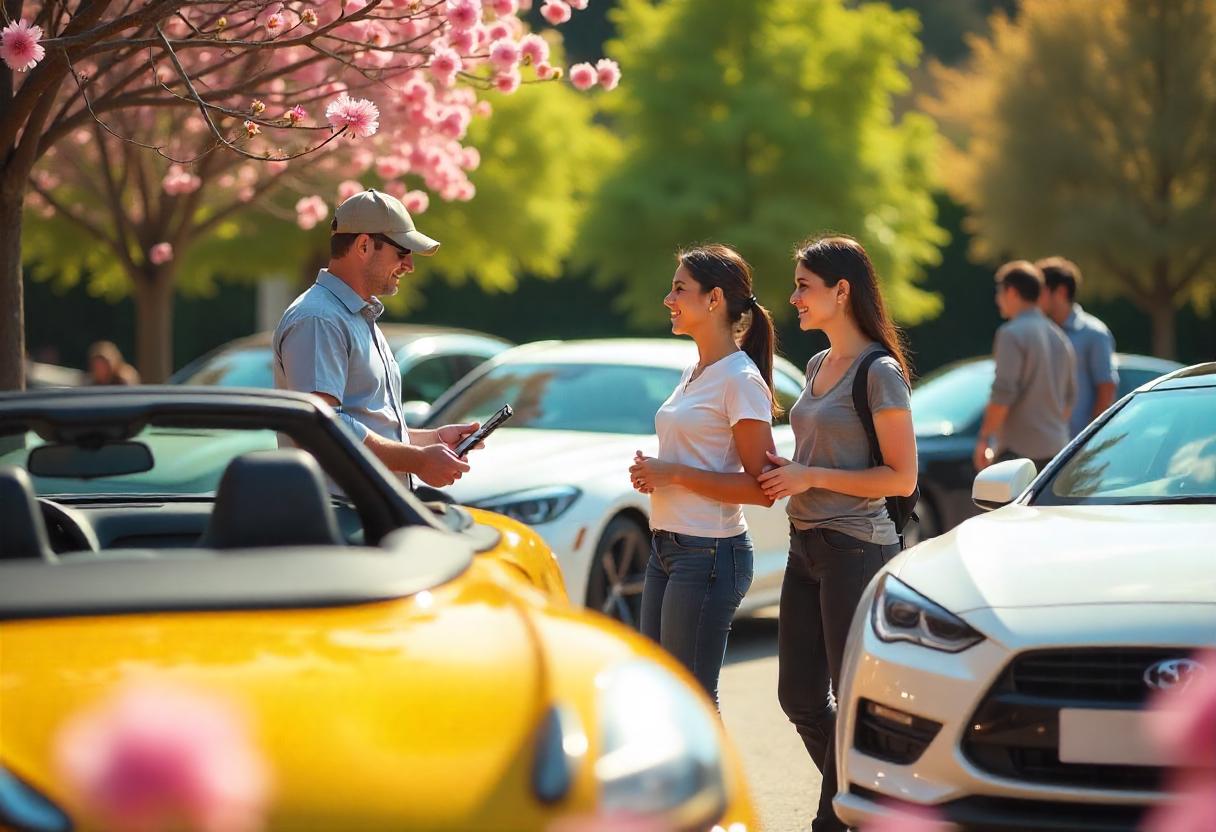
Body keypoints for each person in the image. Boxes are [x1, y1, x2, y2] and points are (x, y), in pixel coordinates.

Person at [755, 236, 917, 832]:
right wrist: (781, 470)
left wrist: (810, 475)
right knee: (798, 697)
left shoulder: (880, 371)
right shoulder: (821, 365)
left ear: (841, 290)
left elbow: (901, 477)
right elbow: (818, 453)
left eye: (804, 285)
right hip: (806, 546)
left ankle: (835, 820)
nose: (793, 297)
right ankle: (874, 798)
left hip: (856, 548)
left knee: (851, 700)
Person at [628, 244, 779, 709]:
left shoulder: (740, 378)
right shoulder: (693, 370)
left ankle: (713, 784)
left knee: (689, 699)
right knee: (659, 690)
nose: (668, 299)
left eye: (679, 289)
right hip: (667, 545)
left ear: (713, 299)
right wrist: (657, 475)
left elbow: (763, 489)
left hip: (710, 553)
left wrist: (673, 473)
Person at [273, 188, 476, 489]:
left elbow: (363, 424)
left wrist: (431, 440)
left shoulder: (351, 315)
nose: (409, 266)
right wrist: (418, 461)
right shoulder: (319, 318)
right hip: (338, 518)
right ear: (364, 245)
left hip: (362, 514)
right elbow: (323, 426)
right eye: (401, 252)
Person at [973, 260, 1077, 472]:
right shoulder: (1060, 337)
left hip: (1019, 455)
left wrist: (984, 437)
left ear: (1011, 291)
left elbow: (1003, 394)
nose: (997, 299)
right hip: (1057, 453)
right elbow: (1069, 402)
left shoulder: (1011, 334)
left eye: (999, 291)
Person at [1036, 256, 1118, 437]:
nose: (1034, 298)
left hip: (1077, 446)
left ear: (1061, 292)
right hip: (1046, 442)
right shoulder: (1040, 333)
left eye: (1040, 291)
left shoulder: (1094, 333)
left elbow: (1106, 387)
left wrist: (1088, 439)